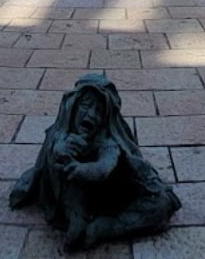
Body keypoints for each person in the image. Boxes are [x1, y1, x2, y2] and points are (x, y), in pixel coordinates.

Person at [10, 72, 181, 251]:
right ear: (73, 106)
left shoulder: (108, 140)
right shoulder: (62, 133)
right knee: (62, 166)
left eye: (99, 110)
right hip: (76, 193)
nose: (91, 114)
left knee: (160, 205)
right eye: (86, 105)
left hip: (112, 195)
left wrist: (81, 169)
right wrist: (61, 151)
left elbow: (104, 167)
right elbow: (56, 147)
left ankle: (103, 228)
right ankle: (76, 215)